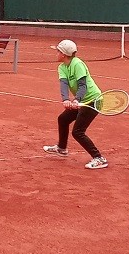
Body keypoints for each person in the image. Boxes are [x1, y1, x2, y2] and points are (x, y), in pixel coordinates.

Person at [43, 39, 108, 169]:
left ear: (63, 54)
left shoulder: (77, 64)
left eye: (58, 51)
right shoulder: (62, 67)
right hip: (82, 101)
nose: (56, 53)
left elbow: (83, 85)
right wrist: (66, 99)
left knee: (78, 132)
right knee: (63, 119)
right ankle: (62, 148)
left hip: (93, 100)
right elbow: (64, 84)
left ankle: (99, 158)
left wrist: (77, 99)